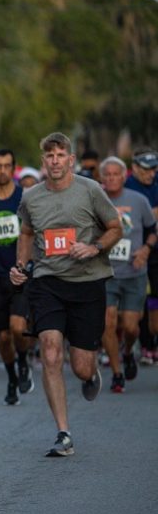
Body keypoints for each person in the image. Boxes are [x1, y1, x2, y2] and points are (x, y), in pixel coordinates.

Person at [10, 133, 122, 457]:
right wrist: (22, 266)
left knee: (81, 367)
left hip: (88, 282)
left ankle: (90, 370)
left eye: (61, 155)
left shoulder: (90, 190)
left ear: (70, 160)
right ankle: (63, 432)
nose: (55, 161)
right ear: (43, 161)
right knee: (50, 350)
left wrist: (94, 246)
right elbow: (27, 233)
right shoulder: (31, 197)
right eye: (50, 156)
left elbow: (115, 227)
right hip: (47, 282)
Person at [0, 149, 34, 406]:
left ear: (13, 168)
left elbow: (34, 232)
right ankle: (12, 377)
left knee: (18, 328)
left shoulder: (26, 198)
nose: (2, 170)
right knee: (2, 337)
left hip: (19, 272)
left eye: (6, 166)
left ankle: (23, 363)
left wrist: (27, 263)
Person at [98, 157, 155, 392]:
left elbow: (152, 231)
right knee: (107, 323)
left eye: (115, 174)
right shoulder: (95, 200)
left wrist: (146, 250)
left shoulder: (139, 200)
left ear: (124, 176)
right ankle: (117, 373)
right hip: (105, 272)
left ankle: (128, 349)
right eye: (107, 174)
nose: (111, 178)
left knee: (131, 327)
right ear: (101, 179)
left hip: (134, 272)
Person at [124, 149, 158, 365]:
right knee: (138, 303)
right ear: (135, 167)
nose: (151, 173)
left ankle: (151, 342)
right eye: (146, 169)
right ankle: (142, 343)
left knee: (154, 297)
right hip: (131, 252)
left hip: (155, 250)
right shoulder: (126, 186)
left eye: (154, 168)